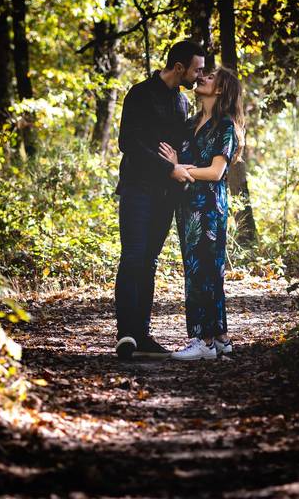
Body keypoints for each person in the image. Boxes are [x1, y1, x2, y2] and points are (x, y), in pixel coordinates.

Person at [114, 41, 205, 360]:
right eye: (197, 69)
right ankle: (126, 334)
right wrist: (169, 167)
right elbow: (129, 143)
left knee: (149, 261)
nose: (199, 75)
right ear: (179, 68)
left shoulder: (181, 103)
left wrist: (178, 162)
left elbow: (180, 145)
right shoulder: (139, 94)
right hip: (137, 188)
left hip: (166, 195)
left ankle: (141, 333)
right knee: (134, 256)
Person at [158, 67, 244, 361]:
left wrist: (182, 169)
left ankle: (203, 341)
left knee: (205, 272)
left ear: (219, 90)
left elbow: (216, 171)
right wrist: (175, 163)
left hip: (210, 207)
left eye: (209, 78)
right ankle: (221, 337)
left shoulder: (225, 125)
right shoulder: (191, 123)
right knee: (199, 270)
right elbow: (182, 160)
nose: (201, 79)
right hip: (187, 206)